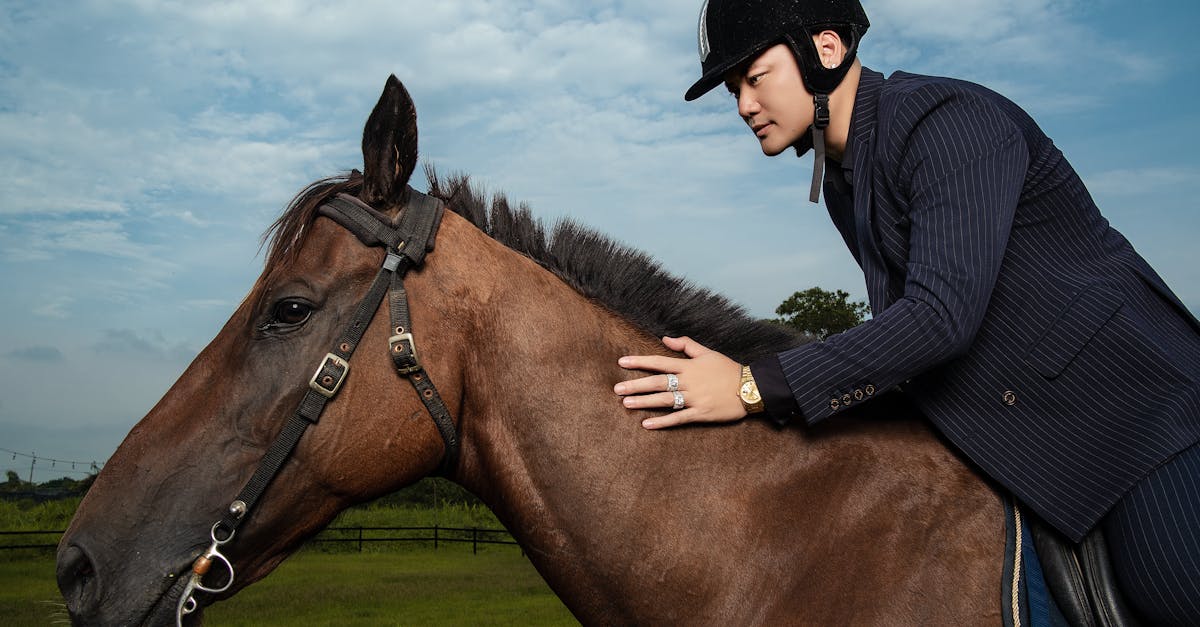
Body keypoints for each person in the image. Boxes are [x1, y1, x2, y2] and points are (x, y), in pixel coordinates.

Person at [612, 0, 1200, 623]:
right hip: (1030, 438)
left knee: (1170, 584)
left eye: (755, 79)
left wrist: (753, 385)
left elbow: (939, 319)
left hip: (1139, 421)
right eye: (734, 91)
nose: (743, 107)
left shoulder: (948, 121)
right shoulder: (846, 180)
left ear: (827, 50)